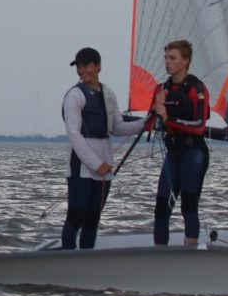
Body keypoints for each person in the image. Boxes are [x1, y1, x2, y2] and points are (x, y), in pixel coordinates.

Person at [60, 47, 146, 250]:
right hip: (81, 168)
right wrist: (96, 164)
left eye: (87, 66)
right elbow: (74, 134)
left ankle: (87, 260)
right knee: (76, 217)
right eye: (79, 67)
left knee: (92, 220)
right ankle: (67, 259)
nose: (82, 71)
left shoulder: (108, 94)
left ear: (98, 66)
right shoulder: (74, 96)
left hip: (104, 167)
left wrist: (146, 123)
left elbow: (117, 127)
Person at [149, 39, 212, 246]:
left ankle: (191, 251)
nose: (167, 62)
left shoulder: (197, 88)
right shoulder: (161, 89)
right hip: (173, 152)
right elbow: (151, 123)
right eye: (166, 58)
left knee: (188, 205)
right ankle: (160, 253)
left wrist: (168, 118)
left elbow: (199, 126)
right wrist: (155, 110)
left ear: (185, 60)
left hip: (194, 152)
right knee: (161, 207)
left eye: (172, 58)